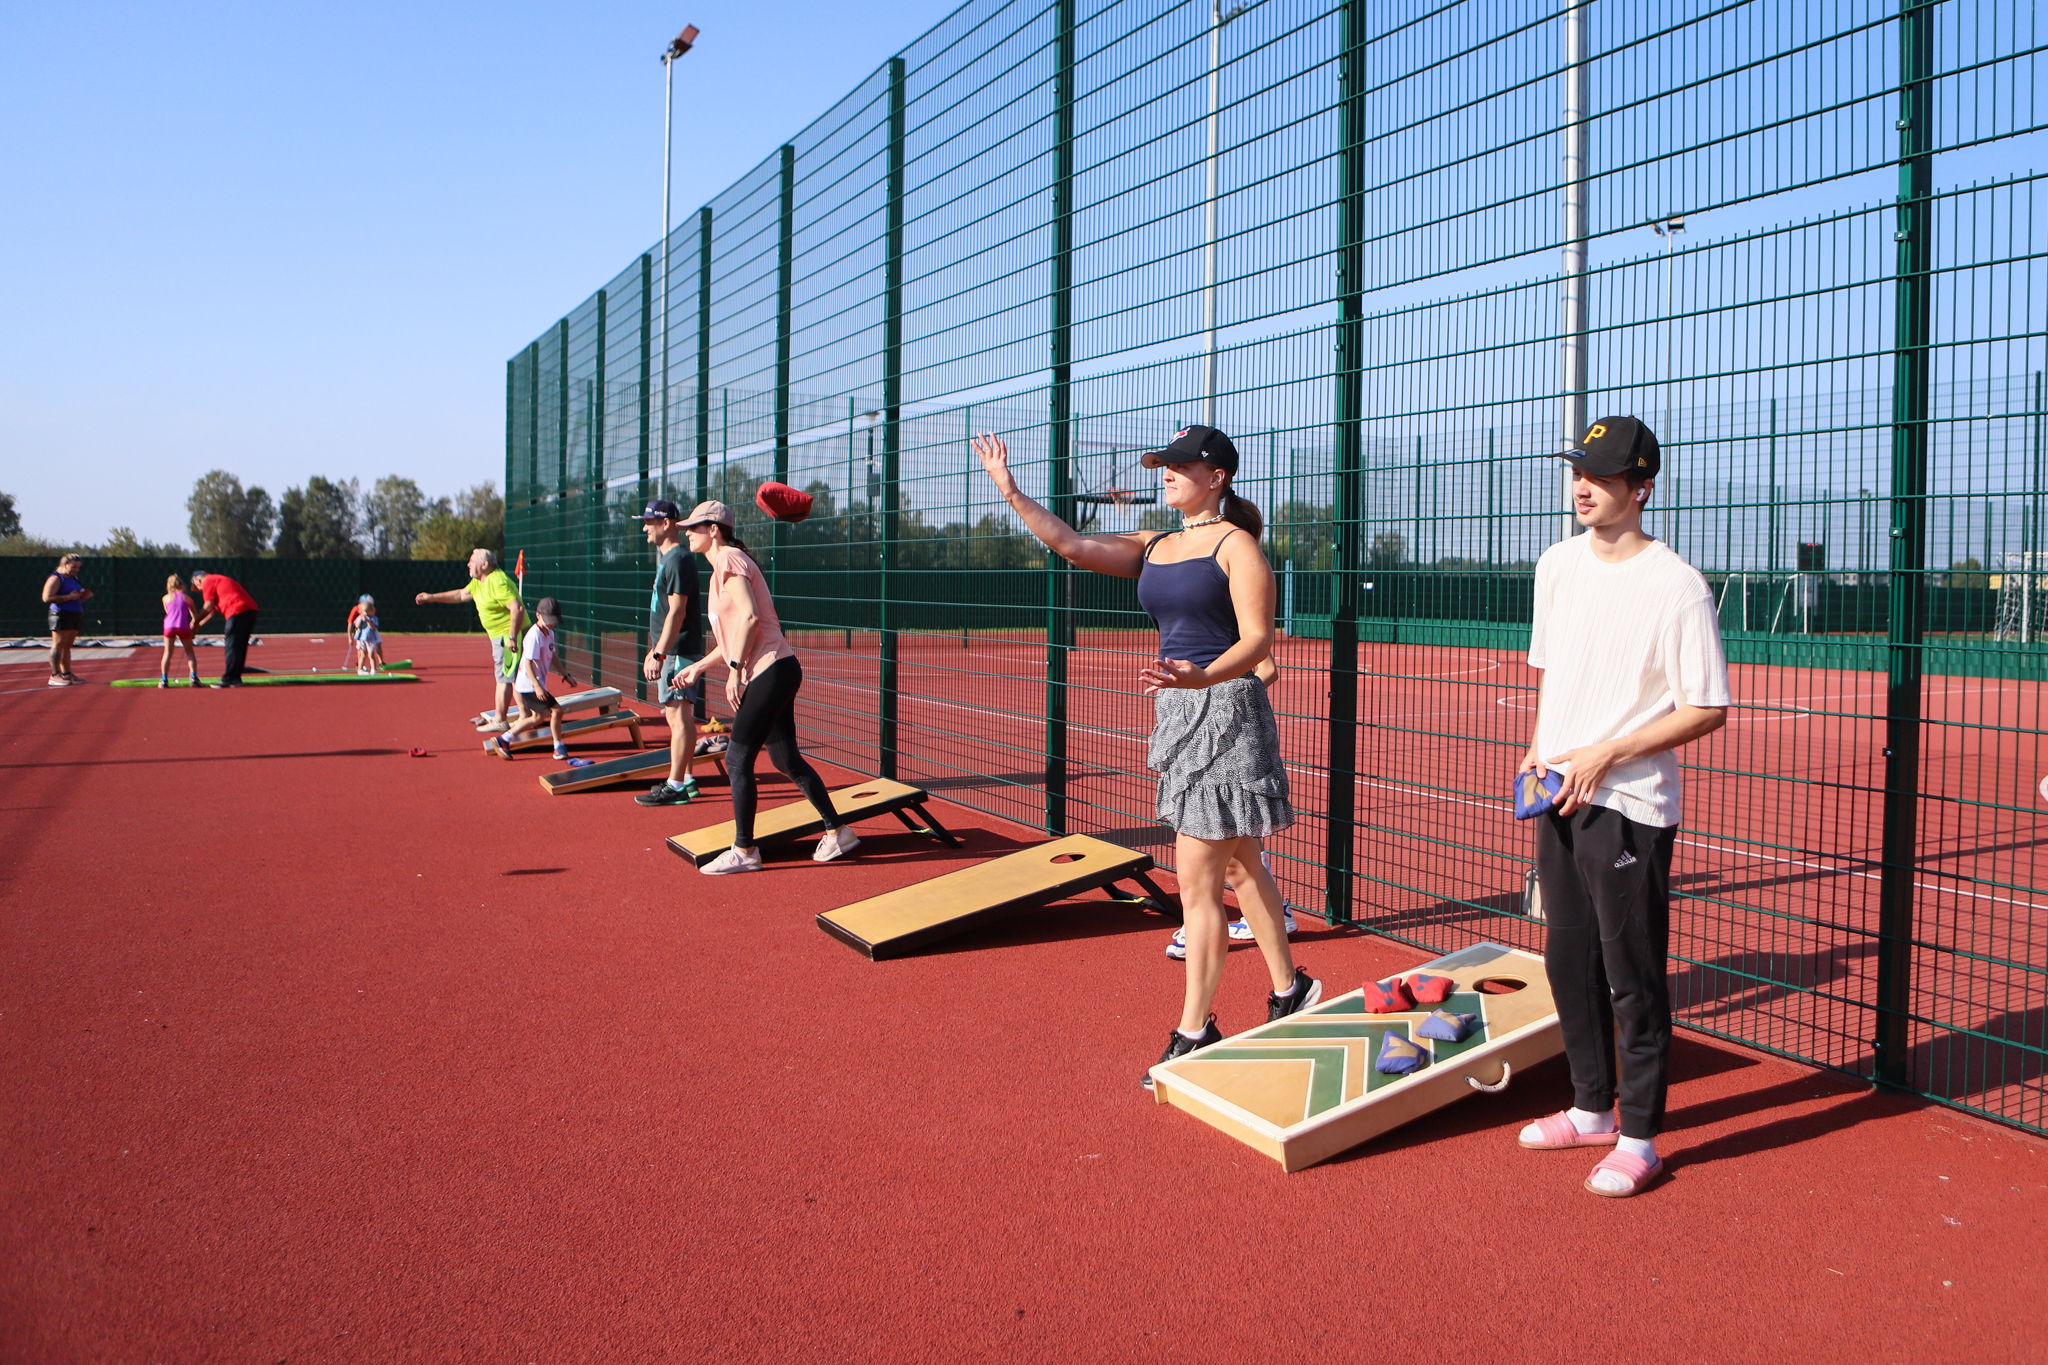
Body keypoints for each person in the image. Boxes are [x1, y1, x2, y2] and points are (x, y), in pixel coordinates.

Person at [972, 424, 1317, 1087]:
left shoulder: (1236, 545)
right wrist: (1010, 490)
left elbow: (1257, 641)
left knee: (1198, 879)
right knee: (1242, 866)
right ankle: (1291, 990)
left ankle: (1195, 1029)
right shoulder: (1155, 544)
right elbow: (1069, 543)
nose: (1167, 473)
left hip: (1226, 711)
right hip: (1179, 711)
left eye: (1180, 466)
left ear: (1216, 476)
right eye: (1164, 464)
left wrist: (1202, 677)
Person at [1515, 416, 1730, 1199]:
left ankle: (1640, 1134)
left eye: (1603, 476)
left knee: (1630, 972)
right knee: (1566, 961)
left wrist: (1606, 753)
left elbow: (1705, 707)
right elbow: (1552, 672)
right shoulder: (1556, 565)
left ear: (1642, 488)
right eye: (1578, 470)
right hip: (1557, 792)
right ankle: (1590, 1108)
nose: (1583, 485)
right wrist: (1542, 746)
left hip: (1630, 802)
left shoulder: (1676, 585)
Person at [671, 499, 857, 874]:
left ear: (713, 530)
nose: (687, 533)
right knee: (785, 758)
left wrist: (736, 670)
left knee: (737, 759)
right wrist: (701, 668)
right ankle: (839, 831)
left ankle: (745, 850)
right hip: (776, 670)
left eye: (693, 527)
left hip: (770, 671)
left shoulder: (728, 560)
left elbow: (753, 618)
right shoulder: (718, 570)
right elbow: (736, 636)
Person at [632, 498, 706, 809]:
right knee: (678, 716)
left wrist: (659, 654)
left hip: (677, 650)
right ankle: (685, 780)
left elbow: (677, 611)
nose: (644, 527)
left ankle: (675, 784)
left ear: (666, 524)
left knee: (678, 716)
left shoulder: (677, 560)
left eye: (649, 522)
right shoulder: (669, 559)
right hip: (673, 649)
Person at [414, 549, 524, 731]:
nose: (468, 564)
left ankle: (507, 718)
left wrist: (511, 636)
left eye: (472, 561)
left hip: (507, 635)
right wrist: (432, 597)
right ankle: (520, 714)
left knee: (506, 677)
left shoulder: (497, 581)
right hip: (500, 636)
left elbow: (517, 608)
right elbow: (461, 595)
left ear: (484, 565)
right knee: (508, 676)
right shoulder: (479, 581)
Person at [492, 597, 579, 762]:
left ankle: (504, 738)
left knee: (537, 718)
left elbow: (553, 655)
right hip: (529, 684)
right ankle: (558, 746)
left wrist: (565, 675)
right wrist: (538, 686)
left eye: (554, 621)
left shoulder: (550, 633)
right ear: (538, 615)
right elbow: (528, 663)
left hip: (534, 683)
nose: (552, 624)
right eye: (548, 620)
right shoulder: (534, 635)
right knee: (557, 711)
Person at [190, 569, 260, 688]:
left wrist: (194, 622)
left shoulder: (208, 581)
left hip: (237, 610)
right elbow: (213, 610)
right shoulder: (217, 580)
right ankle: (235, 678)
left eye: (197, 585)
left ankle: (229, 678)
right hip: (249, 610)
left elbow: (207, 606)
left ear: (197, 579)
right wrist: (199, 625)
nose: (200, 589)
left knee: (232, 645)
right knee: (239, 646)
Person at [41, 553, 91, 687]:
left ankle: (67, 673)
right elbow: (47, 597)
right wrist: (68, 597)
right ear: (64, 564)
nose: (76, 570)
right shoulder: (56, 578)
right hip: (60, 613)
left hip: (75, 612)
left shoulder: (74, 578)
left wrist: (83, 595)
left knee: (67, 645)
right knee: (58, 644)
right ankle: (54, 674)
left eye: (78, 568)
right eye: (73, 567)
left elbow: (76, 596)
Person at [160, 574, 200, 688]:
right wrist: (193, 626)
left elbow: (168, 612)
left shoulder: (165, 598)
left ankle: (164, 680)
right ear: (182, 585)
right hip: (183, 626)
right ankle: (194, 678)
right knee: (189, 652)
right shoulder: (187, 598)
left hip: (169, 626)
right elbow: (195, 616)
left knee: (167, 652)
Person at [351, 595, 386, 674]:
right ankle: (360, 670)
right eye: (364, 612)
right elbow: (356, 626)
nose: (366, 613)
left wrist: (368, 621)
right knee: (362, 655)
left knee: (371, 655)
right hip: (362, 638)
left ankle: (373, 669)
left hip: (370, 638)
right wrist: (361, 619)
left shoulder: (374, 618)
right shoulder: (359, 618)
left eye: (368, 611)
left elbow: (373, 627)